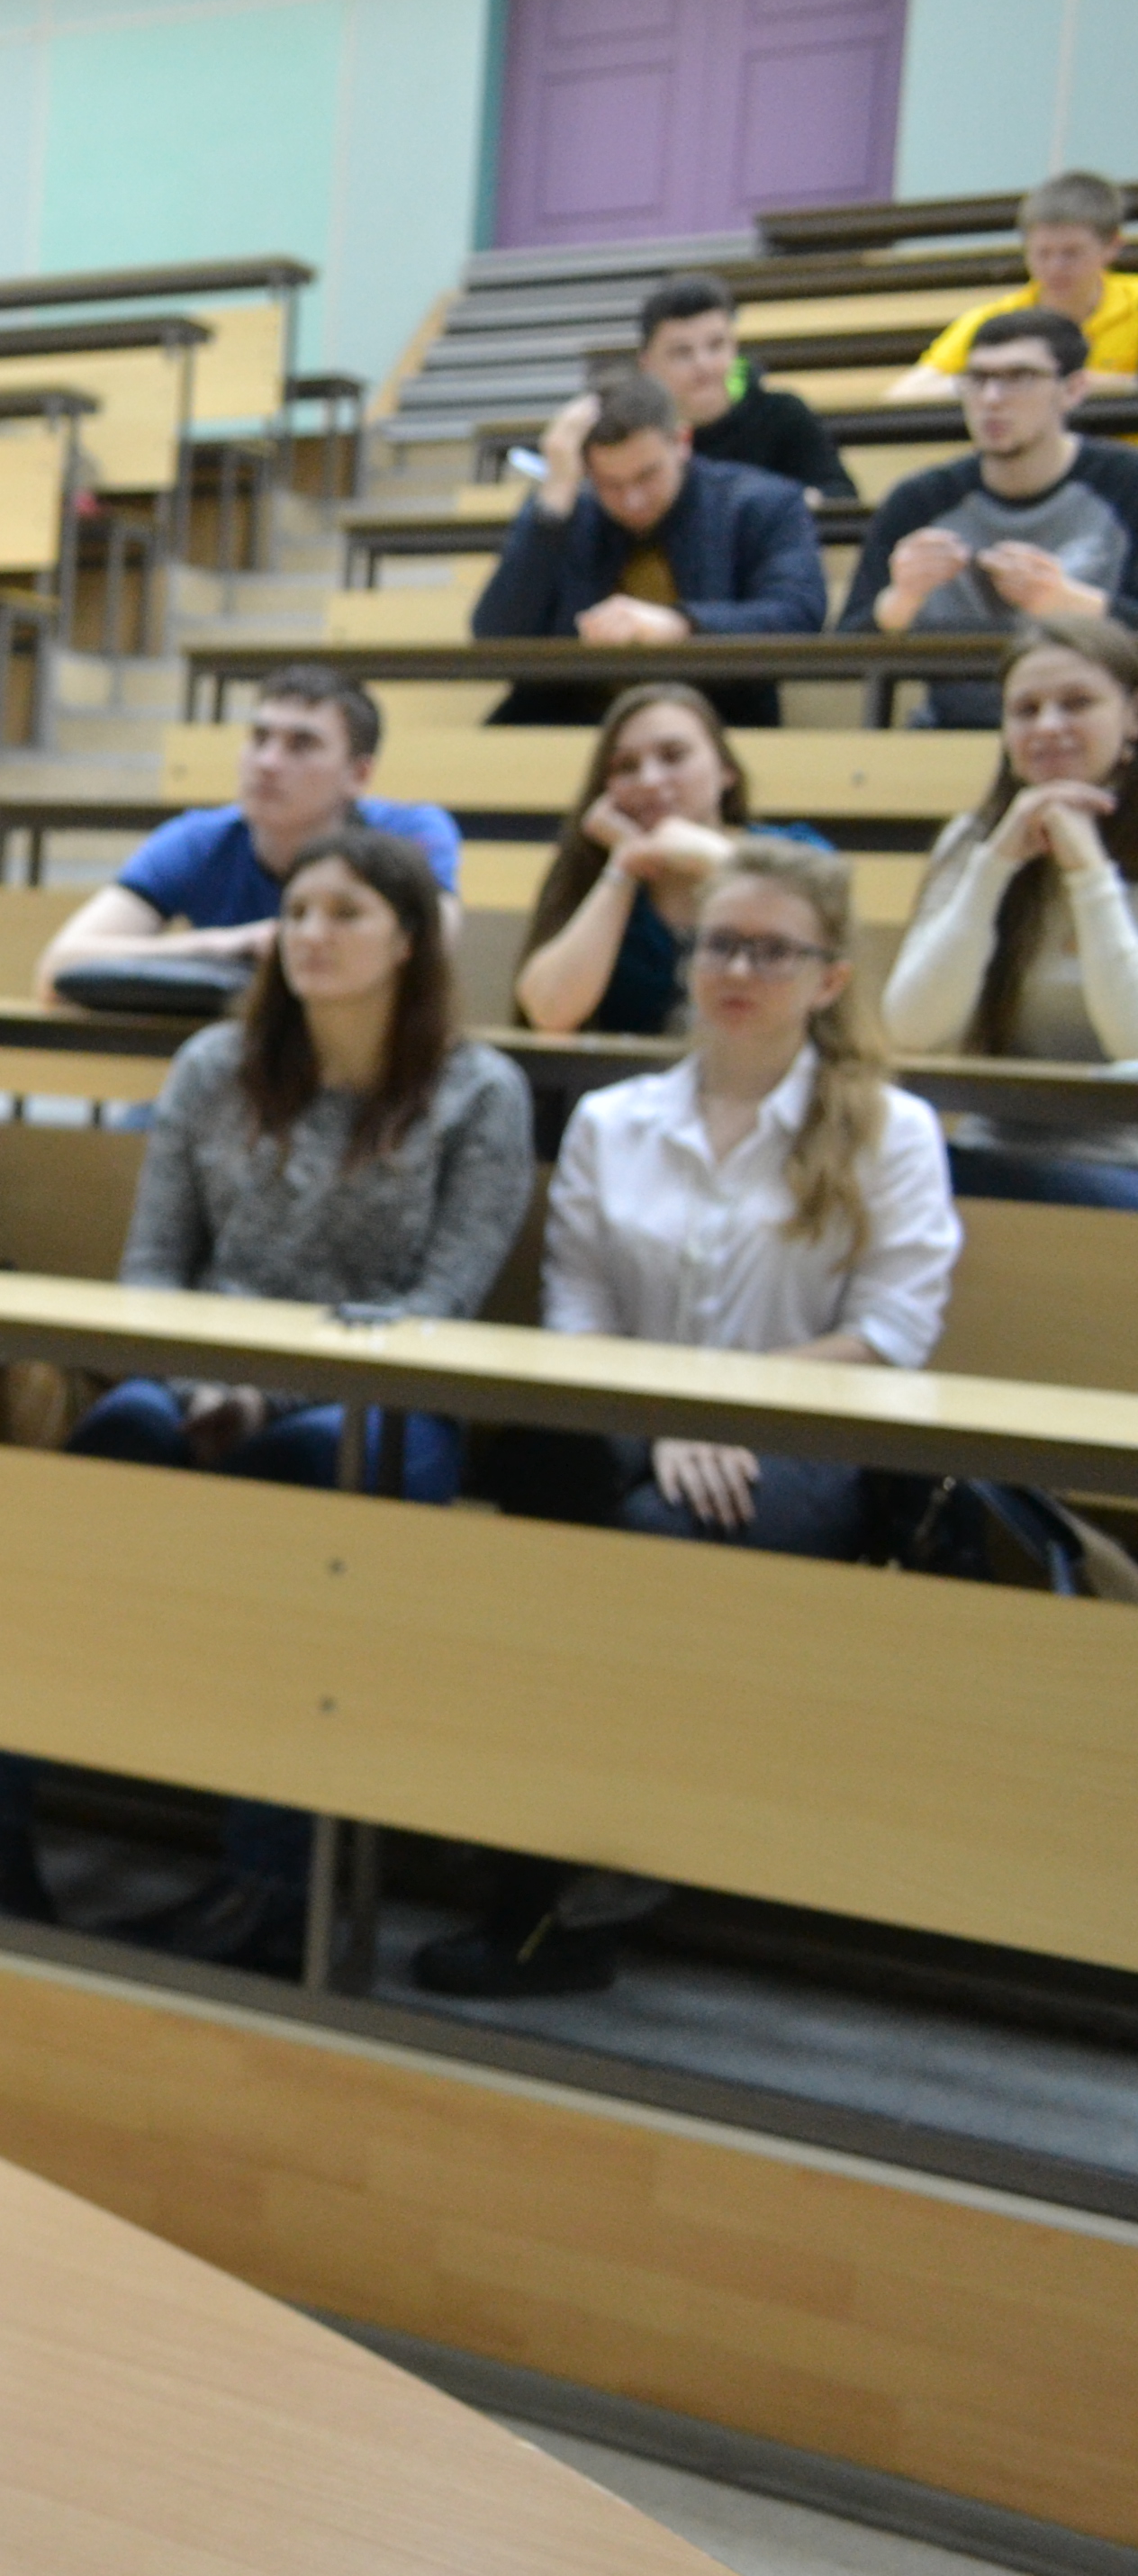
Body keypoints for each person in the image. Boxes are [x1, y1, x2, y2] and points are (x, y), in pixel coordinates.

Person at [0, 831, 531, 1961]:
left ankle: (270, 1887)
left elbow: (439, 1305)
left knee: (306, 1476)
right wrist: (196, 1380)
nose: (311, 936)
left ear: (410, 939)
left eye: (346, 914)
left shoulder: (479, 1091)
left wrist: (259, 1401)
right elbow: (153, 1275)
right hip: (197, 1375)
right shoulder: (213, 1068)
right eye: (300, 912)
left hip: (383, 1404)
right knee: (109, 1446)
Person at [444, 838, 959, 1998]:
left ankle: (567, 1892)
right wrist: (669, 1417)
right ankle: (518, 1834)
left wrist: (727, 1411)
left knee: (663, 1543)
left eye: (774, 950)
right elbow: (575, 1309)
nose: (740, 969)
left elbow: (890, 1334)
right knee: (554, 1498)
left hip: (808, 1438)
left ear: (830, 977)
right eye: (722, 942)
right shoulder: (615, 1119)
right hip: (624, 1418)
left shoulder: (891, 1129)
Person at [881, 615, 1138, 1206]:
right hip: (992, 1149)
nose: (1049, 726)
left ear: (1132, 717)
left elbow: (1135, 1043)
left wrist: (1090, 875)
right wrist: (992, 867)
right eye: (1026, 710)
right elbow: (911, 1028)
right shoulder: (971, 841)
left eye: (1077, 703)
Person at [31, 667, 462, 990]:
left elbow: (431, 956)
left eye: (302, 744)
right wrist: (228, 946)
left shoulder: (408, 833)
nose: (268, 763)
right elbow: (59, 965)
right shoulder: (199, 840)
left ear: (359, 774)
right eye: (259, 739)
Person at [468, 370, 826, 724]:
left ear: (682, 441)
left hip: (717, 726)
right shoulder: (565, 514)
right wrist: (554, 496)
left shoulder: (763, 503)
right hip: (573, 727)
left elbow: (798, 613)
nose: (632, 500)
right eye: (610, 484)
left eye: (647, 475)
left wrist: (681, 625)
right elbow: (495, 636)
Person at [836, 308, 1138, 727]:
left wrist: (1069, 604)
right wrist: (900, 603)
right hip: (949, 734)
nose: (992, 398)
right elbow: (842, 652)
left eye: (1020, 378)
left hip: (1106, 733)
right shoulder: (918, 501)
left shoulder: (1127, 483)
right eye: (977, 380)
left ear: (1073, 389)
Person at [511, 682, 828, 1035]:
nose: (649, 780)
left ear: (726, 770)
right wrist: (624, 866)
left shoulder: (796, 851)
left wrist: (709, 856)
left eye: (674, 756)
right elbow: (549, 1013)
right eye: (626, 766)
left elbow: (831, 949)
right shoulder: (594, 870)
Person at [885, 171, 1138, 401]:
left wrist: (1116, 386)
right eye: (1042, 254)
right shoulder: (1000, 319)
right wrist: (995, 381)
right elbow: (904, 395)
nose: (1055, 267)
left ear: (1112, 247)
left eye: (1072, 253)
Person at [630, 272, 853, 500]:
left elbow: (840, 499)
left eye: (716, 345)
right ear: (646, 363)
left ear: (734, 346)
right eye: (682, 352)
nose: (703, 365)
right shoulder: (635, 435)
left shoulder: (784, 415)